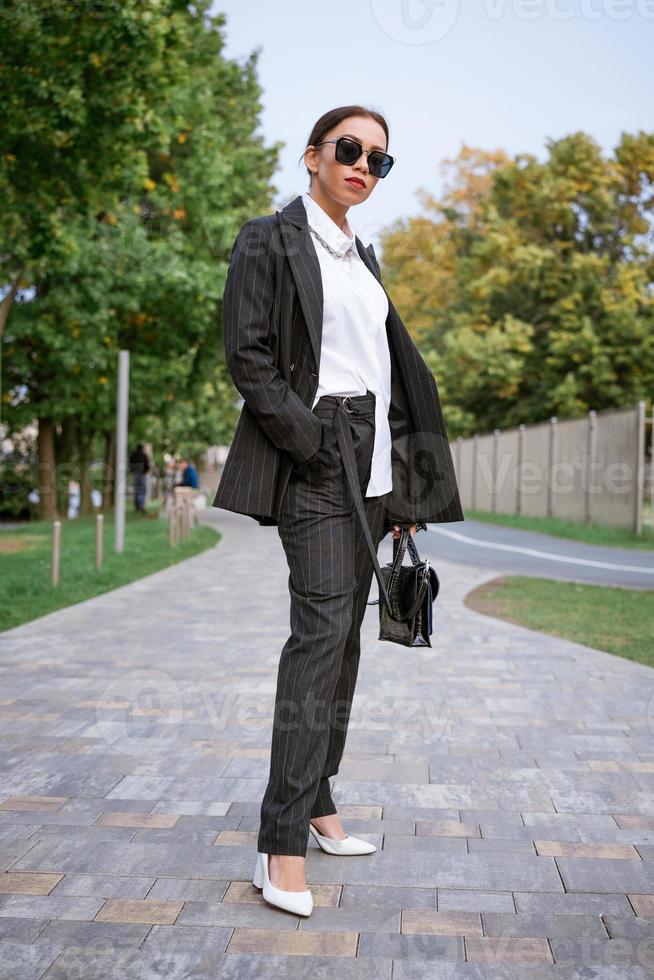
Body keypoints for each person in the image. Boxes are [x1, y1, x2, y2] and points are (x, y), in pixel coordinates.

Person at [213, 105, 464, 916]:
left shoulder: (364, 257)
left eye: (379, 160)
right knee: (318, 639)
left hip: (371, 464)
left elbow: (388, 376)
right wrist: (311, 439)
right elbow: (247, 353)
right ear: (314, 156)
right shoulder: (268, 238)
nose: (363, 165)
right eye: (350, 150)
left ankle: (319, 806)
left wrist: (402, 489)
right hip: (316, 453)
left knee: (345, 646)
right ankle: (278, 847)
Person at [128, 443, 150, 513]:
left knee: (137, 490)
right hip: (142, 474)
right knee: (142, 490)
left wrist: (132, 471)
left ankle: (137, 507)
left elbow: (130, 464)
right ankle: (140, 507)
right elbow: (147, 465)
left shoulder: (133, 455)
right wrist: (145, 471)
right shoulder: (144, 455)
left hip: (135, 474)